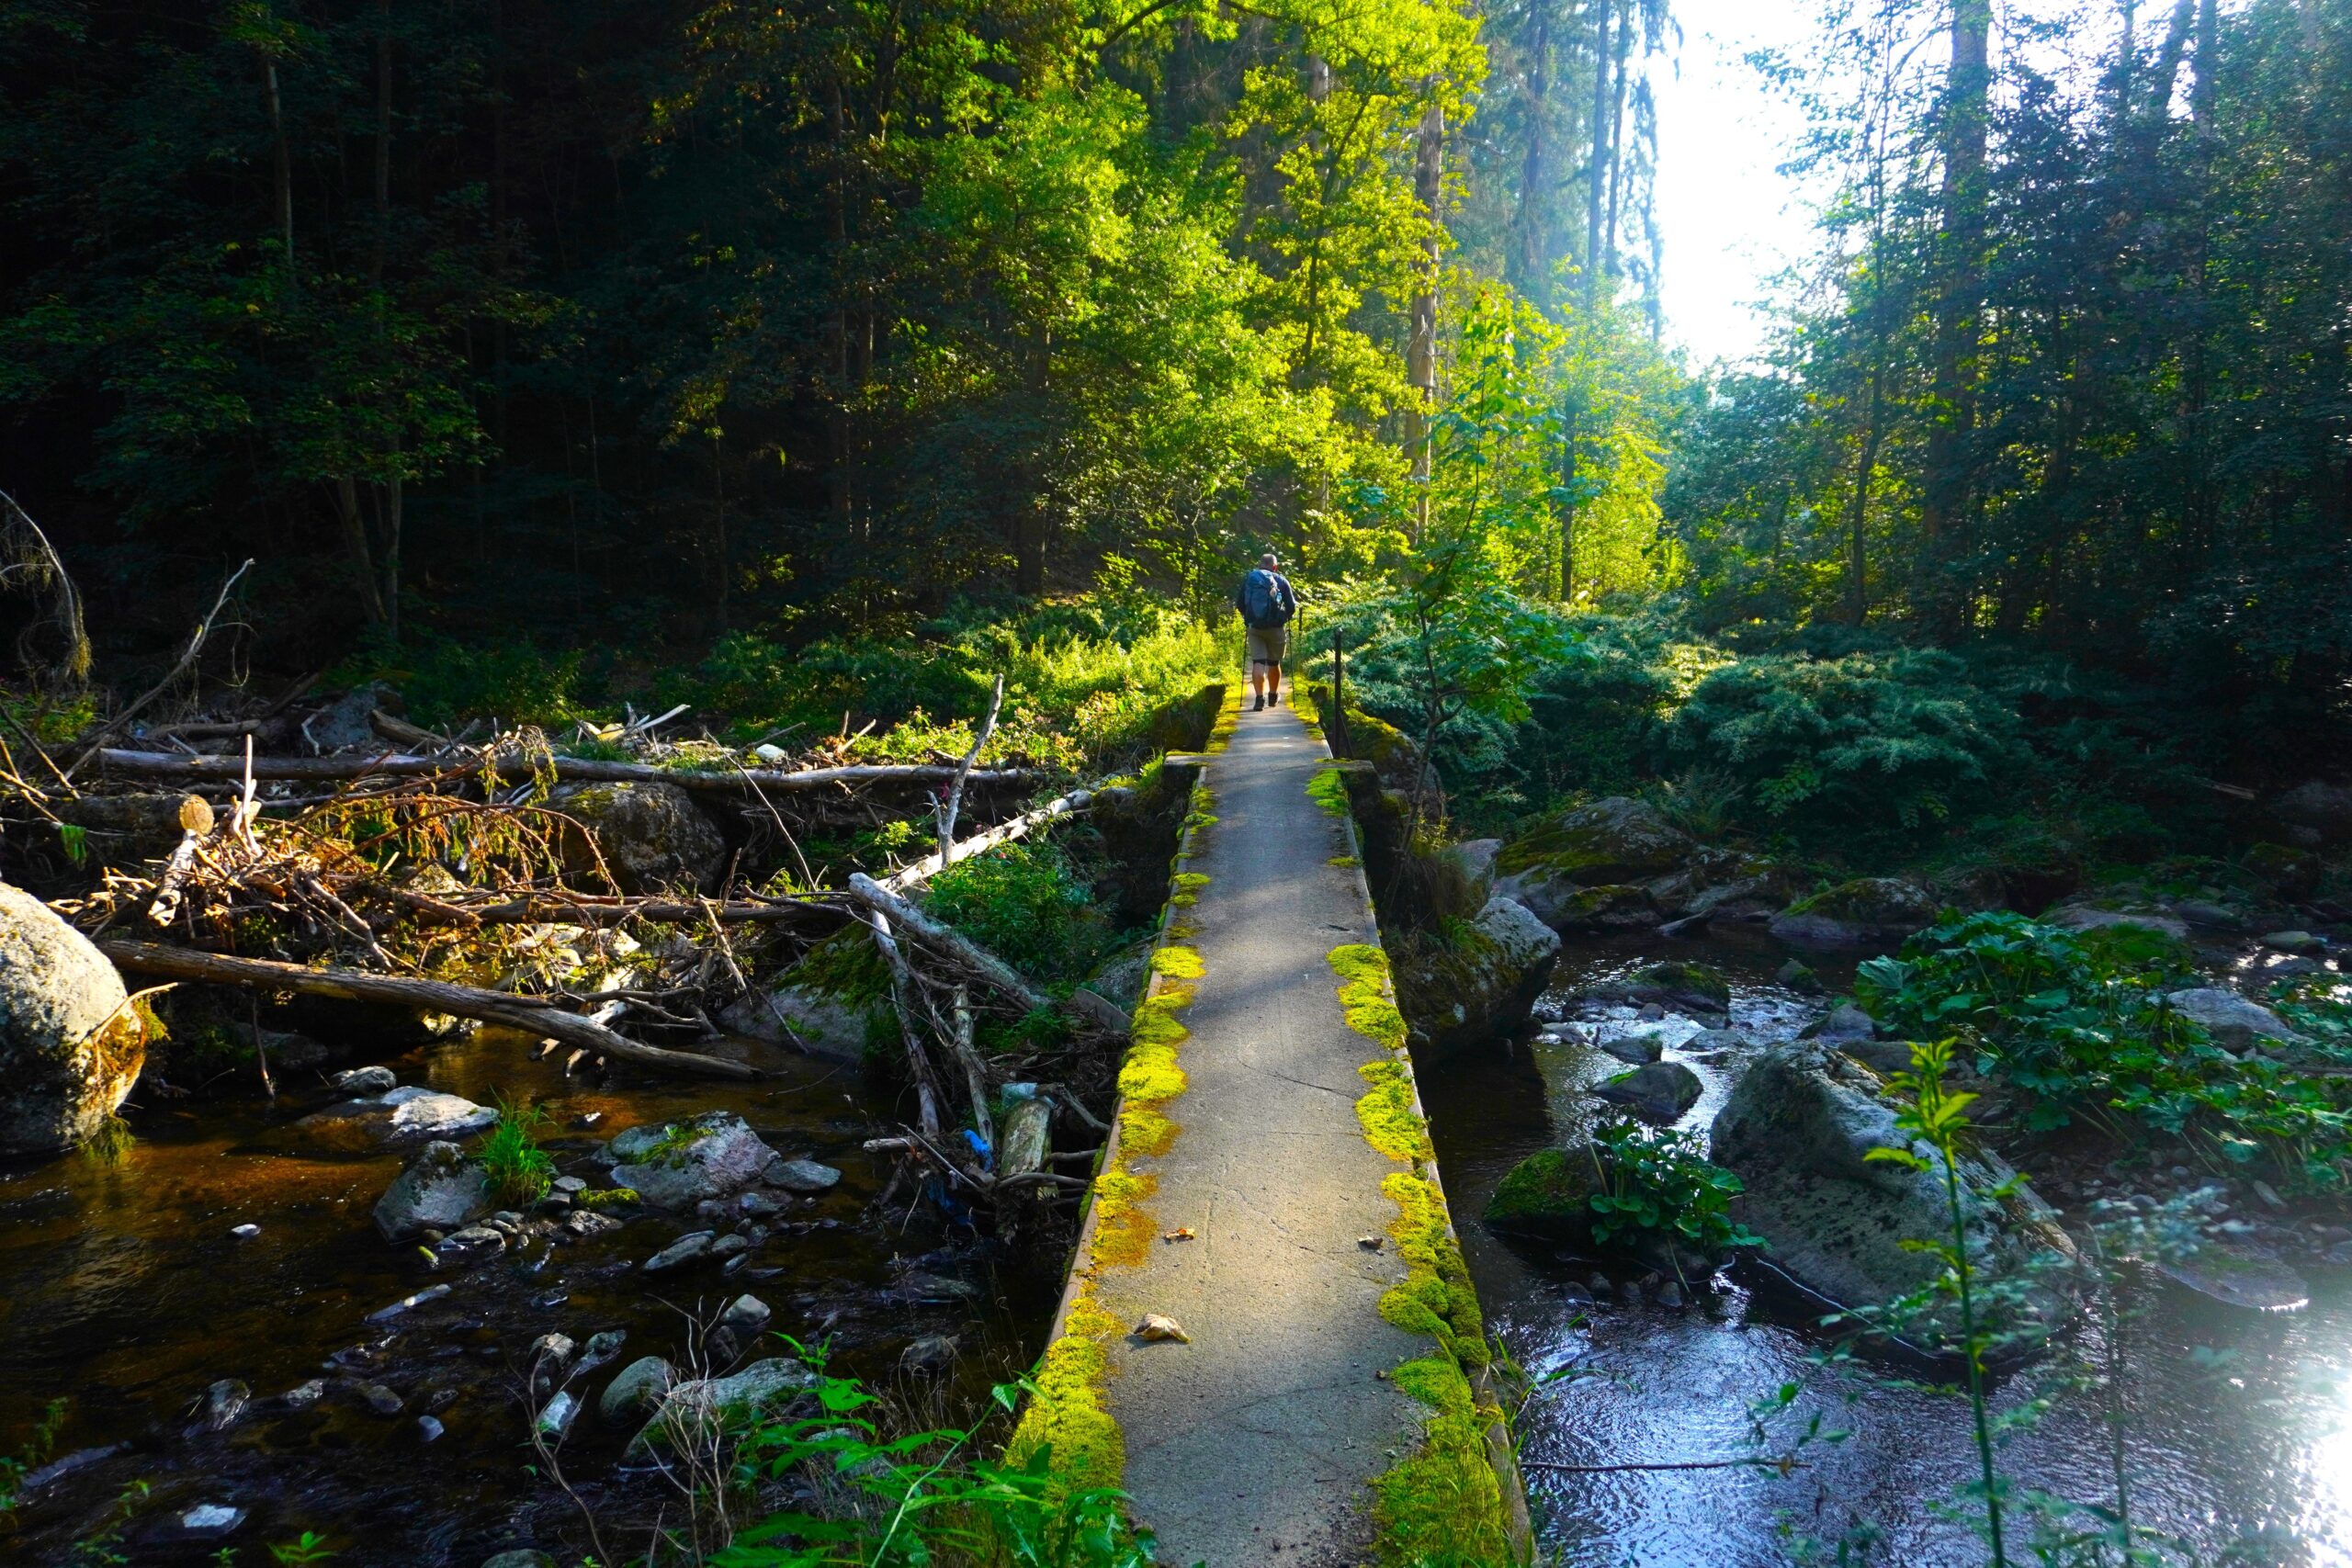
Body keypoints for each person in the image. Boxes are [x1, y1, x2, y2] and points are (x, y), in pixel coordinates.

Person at [1233, 552, 1299, 711]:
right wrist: (1283, 618)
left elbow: (1240, 604)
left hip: (1255, 627)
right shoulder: (1281, 580)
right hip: (1275, 628)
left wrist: (1248, 618)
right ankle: (1273, 696)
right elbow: (1291, 607)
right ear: (1274, 567)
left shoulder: (1250, 578)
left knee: (1258, 662)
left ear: (1259, 564)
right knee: (1274, 662)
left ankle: (1258, 699)